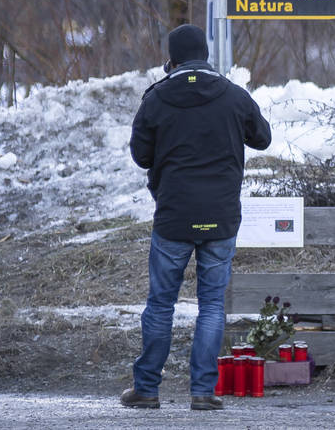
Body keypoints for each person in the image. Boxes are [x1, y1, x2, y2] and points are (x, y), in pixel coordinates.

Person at [122, 24, 271, 411]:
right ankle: (203, 391)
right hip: (219, 217)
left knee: (160, 305)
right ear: (205, 55)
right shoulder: (233, 96)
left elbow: (140, 156)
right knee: (211, 306)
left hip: (173, 215)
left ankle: (147, 389)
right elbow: (263, 138)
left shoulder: (156, 98)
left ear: (170, 59)